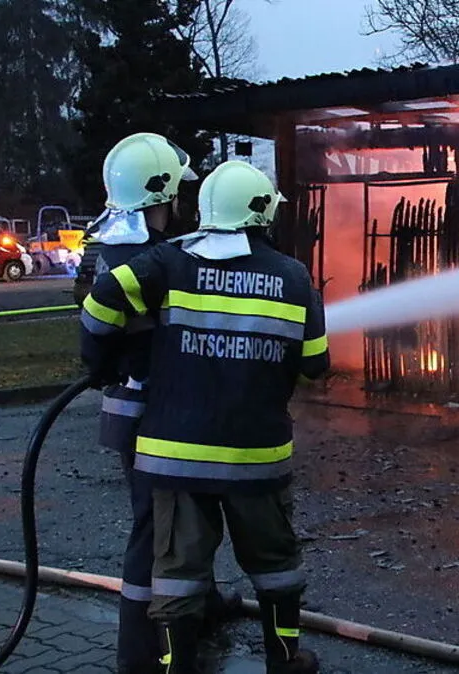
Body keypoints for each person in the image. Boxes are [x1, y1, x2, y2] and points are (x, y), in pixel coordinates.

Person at [81, 160, 329, 674]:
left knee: (177, 571)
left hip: (174, 458)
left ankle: (175, 665)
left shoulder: (167, 263)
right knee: (276, 565)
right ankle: (285, 659)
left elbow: (100, 302)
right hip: (255, 459)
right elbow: (315, 367)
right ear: (262, 215)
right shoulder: (293, 276)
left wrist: (101, 362)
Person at [82, 132, 239, 674]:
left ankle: (206, 605)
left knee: (183, 516)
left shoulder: (112, 250)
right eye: (177, 194)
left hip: (137, 411)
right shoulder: (152, 260)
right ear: (161, 195)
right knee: (155, 530)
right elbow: (100, 323)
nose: (182, 204)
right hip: (160, 416)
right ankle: (139, 654)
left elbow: (97, 341)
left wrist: (105, 369)